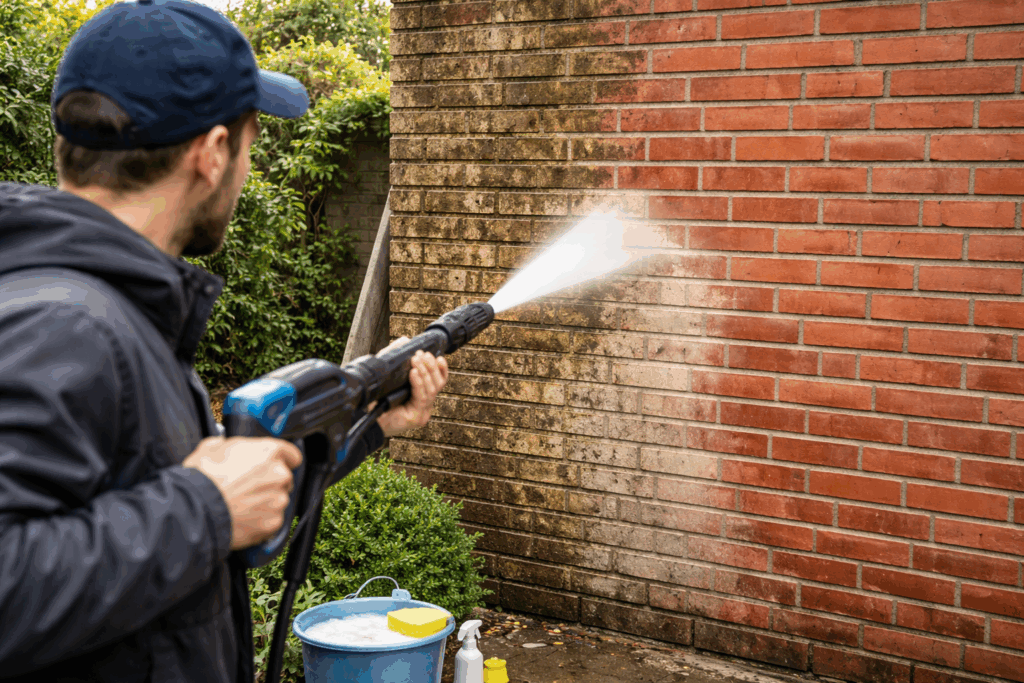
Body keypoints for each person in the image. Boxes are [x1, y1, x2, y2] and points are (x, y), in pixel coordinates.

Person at [0, 1, 448, 681]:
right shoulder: (66, 324)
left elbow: (176, 514)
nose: (247, 167)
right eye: (250, 142)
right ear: (212, 153)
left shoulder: (105, 308)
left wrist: (373, 426)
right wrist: (205, 508)